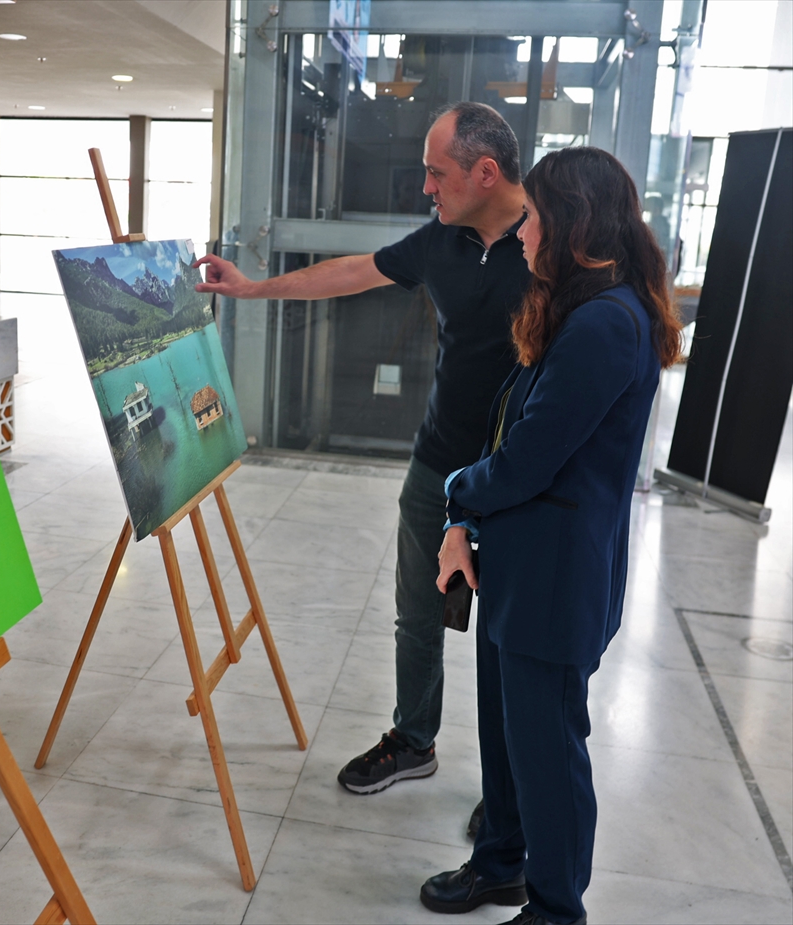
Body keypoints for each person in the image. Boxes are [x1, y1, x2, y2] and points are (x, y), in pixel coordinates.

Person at [195, 102, 530, 801]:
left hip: (521, 476)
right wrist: (254, 288)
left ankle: (510, 799)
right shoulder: (444, 238)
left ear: (486, 172)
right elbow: (352, 271)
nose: (428, 189)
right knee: (419, 609)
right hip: (439, 466)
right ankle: (414, 738)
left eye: (438, 174)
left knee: (513, 635)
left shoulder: (550, 246)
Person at [418, 147, 684, 925]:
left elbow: (529, 459)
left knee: (546, 753)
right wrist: (467, 518)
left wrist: (455, 494)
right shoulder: (579, 307)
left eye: (534, 216)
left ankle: (556, 908)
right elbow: (514, 428)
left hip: (554, 576)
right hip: (519, 563)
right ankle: (501, 861)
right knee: (505, 741)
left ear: (572, 222)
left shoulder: (607, 323)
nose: (523, 231)